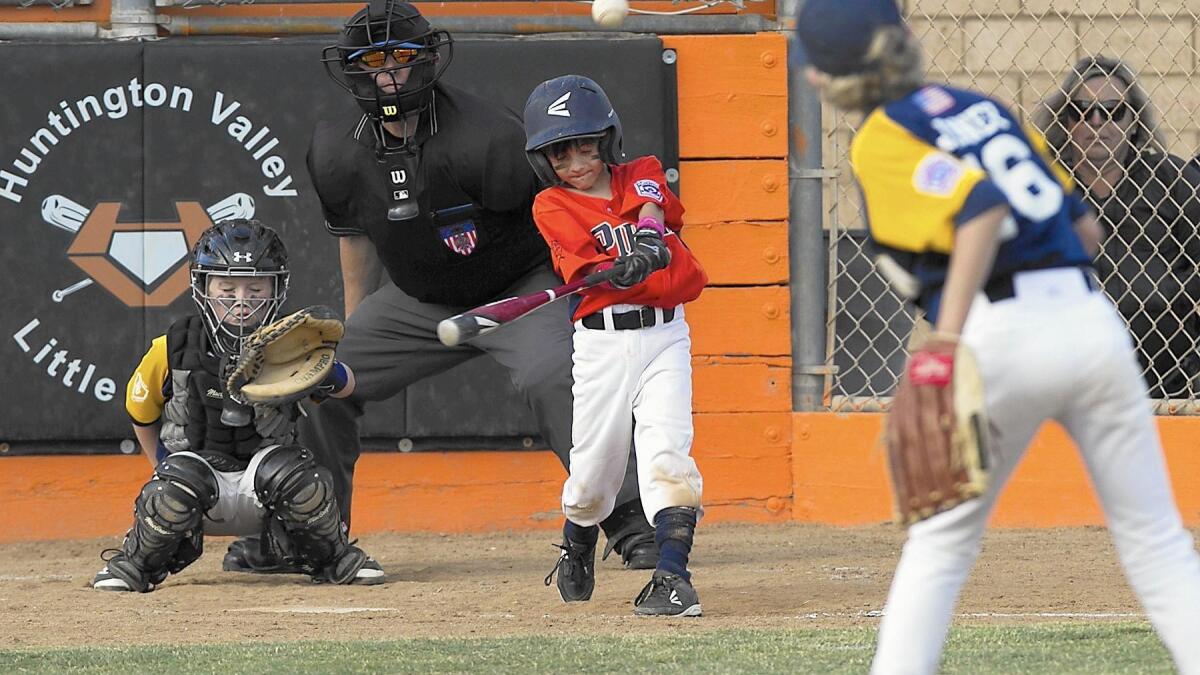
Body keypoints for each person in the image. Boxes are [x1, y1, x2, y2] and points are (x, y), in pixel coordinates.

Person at [796, 1, 1200, 673]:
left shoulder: (883, 135)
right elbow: (1087, 230)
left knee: (940, 545)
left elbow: (979, 208)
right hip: (1092, 321)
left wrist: (945, 343)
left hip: (1000, 327)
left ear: (822, 80)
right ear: (908, 40)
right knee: (1157, 540)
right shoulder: (980, 105)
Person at [222, 0, 659, 575]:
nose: (389, 74)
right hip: (418, 300)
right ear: (351, 70)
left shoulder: (490, 138)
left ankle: (625, 517)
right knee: (318, 376)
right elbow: (355, 239)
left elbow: (562, 209)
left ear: (427, 61)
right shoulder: (335, 149)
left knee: (550, 374)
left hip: (517, 287)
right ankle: (310, 533)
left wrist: (583, 282)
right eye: (372, 61)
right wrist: (352, 334)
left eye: (401, 57)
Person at [91, 219, 384, 592]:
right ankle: (134, 565)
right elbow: (140, 414)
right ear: (202, 287)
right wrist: (161, 468)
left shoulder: (293, 346)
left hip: (270, 491)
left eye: (255, 288)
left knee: (299, 474)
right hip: (197, 488)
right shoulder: (173, 346)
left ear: (277, 288)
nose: (241, 301)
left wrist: (325, 372)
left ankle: (333, 558)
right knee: (172, 485)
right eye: (227, 288)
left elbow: (348, 387)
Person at [524, 75, 708, 616]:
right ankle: (579, 537)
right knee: (594, 472)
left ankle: (673, 577)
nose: (578, 161)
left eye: (587, 145)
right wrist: (614, 269)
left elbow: (652, 210)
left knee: (668, 454)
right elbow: (587, 268)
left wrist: (648, 239)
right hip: (603, 344)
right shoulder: (550, 206)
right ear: (545, 160)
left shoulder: (641, 171)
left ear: (607, 140)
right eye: (562, 152)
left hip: (665, 336)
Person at [1035, 55, 1200, 399]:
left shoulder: (1172, 180)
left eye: (1113, 110)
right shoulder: (1043, 186)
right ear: (1066, 121)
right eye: (1082, 110)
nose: (1097, 122)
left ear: (1134, 122)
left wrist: (1169, 290)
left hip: (1167, 383)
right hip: (1063, 382)